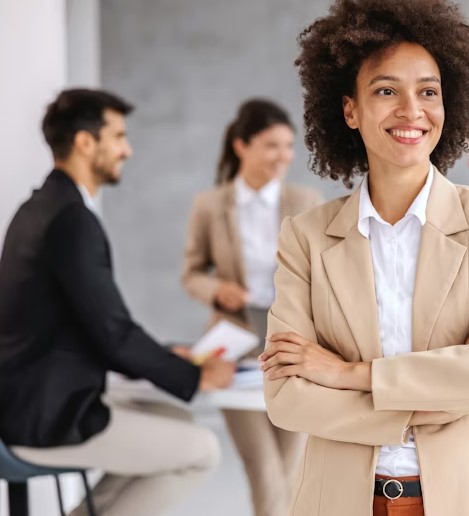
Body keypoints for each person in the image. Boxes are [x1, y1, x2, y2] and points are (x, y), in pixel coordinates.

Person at [256, 1, 469, 515]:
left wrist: (350, 375)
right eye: (386, 91)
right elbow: (287, 397)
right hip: (343, 501)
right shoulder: (305, 237)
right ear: (350, 110)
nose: (412, 111)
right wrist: (448, 393)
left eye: (428, 92)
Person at [0, 88, 235, 516]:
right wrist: (194, 376)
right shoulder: (71, 220)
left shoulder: (39, 208)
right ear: (86, 142)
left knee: (178, 425)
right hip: (44, 417)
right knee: (202, 451)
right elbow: (113, 333)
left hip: (33, 399)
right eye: (119, 136)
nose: (127, 149)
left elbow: (91, 326)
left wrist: (168, 356)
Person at [182, 98, 322, 516]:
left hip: (292, 341)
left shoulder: (306, 200)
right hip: (234, 340)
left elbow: (325, 275)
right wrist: (216, 289)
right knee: (262, 466)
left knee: (294, 464)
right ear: (242, 146)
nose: (283, 157)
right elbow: (191, 272)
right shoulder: (210, 205)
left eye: (288, 146)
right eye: (271, 145)